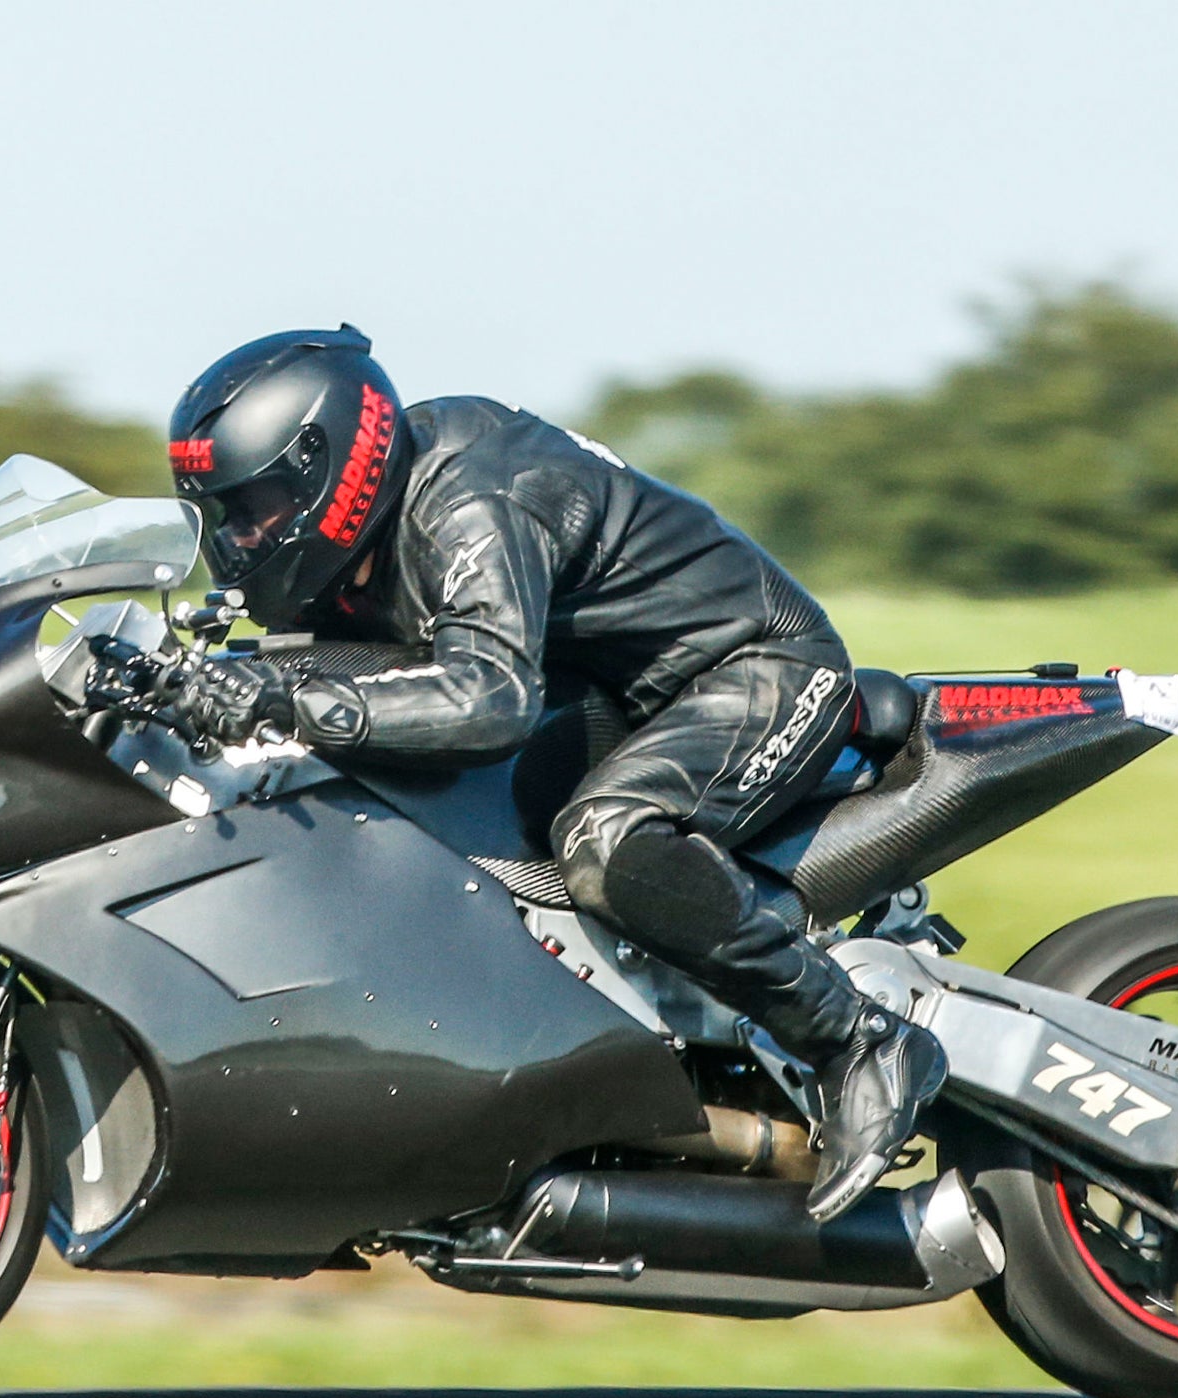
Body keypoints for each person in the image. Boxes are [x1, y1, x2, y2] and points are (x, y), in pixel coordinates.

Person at [162, 325, 945, 1223]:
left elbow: (486, 697)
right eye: (220, 513)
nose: (239, 536)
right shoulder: (376, 521)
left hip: (754, 668)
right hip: (618, 692)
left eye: (254, 507)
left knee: (606, 841)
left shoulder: (472, 500)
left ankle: (861, 1042)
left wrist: (291, 702)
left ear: (330, 473)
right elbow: (333, 661)